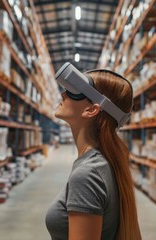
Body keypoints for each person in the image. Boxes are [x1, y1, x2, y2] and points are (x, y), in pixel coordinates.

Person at [45, 64, 142, 240]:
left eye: (75, 91)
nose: (63, 94)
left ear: (91, 110)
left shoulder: (87, 174)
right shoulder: (104, 162)